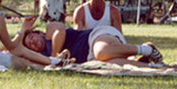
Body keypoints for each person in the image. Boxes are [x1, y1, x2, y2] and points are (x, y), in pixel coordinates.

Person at [70, 0, 161, 63]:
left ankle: (144, 52)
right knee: (111, 62)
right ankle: (142, 60)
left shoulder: (113, 11)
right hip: (91, 48)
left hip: (108, 46)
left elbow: (119, 36)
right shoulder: (80, 11)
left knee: (109, 57)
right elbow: (78, 38)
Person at [25, 19, 163, 65]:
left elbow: (59, 32)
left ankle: (147, 50)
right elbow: (11, 50)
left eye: (31, 38)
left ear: (39, 33)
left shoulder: (50, 30)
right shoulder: (41, 56)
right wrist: (21, 32)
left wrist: (54, 58)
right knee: (116, 66)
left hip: (95, 37)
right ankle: (154, 67)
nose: (32, 43)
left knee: (101, 52)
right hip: (92, 59)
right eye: (30, 46)